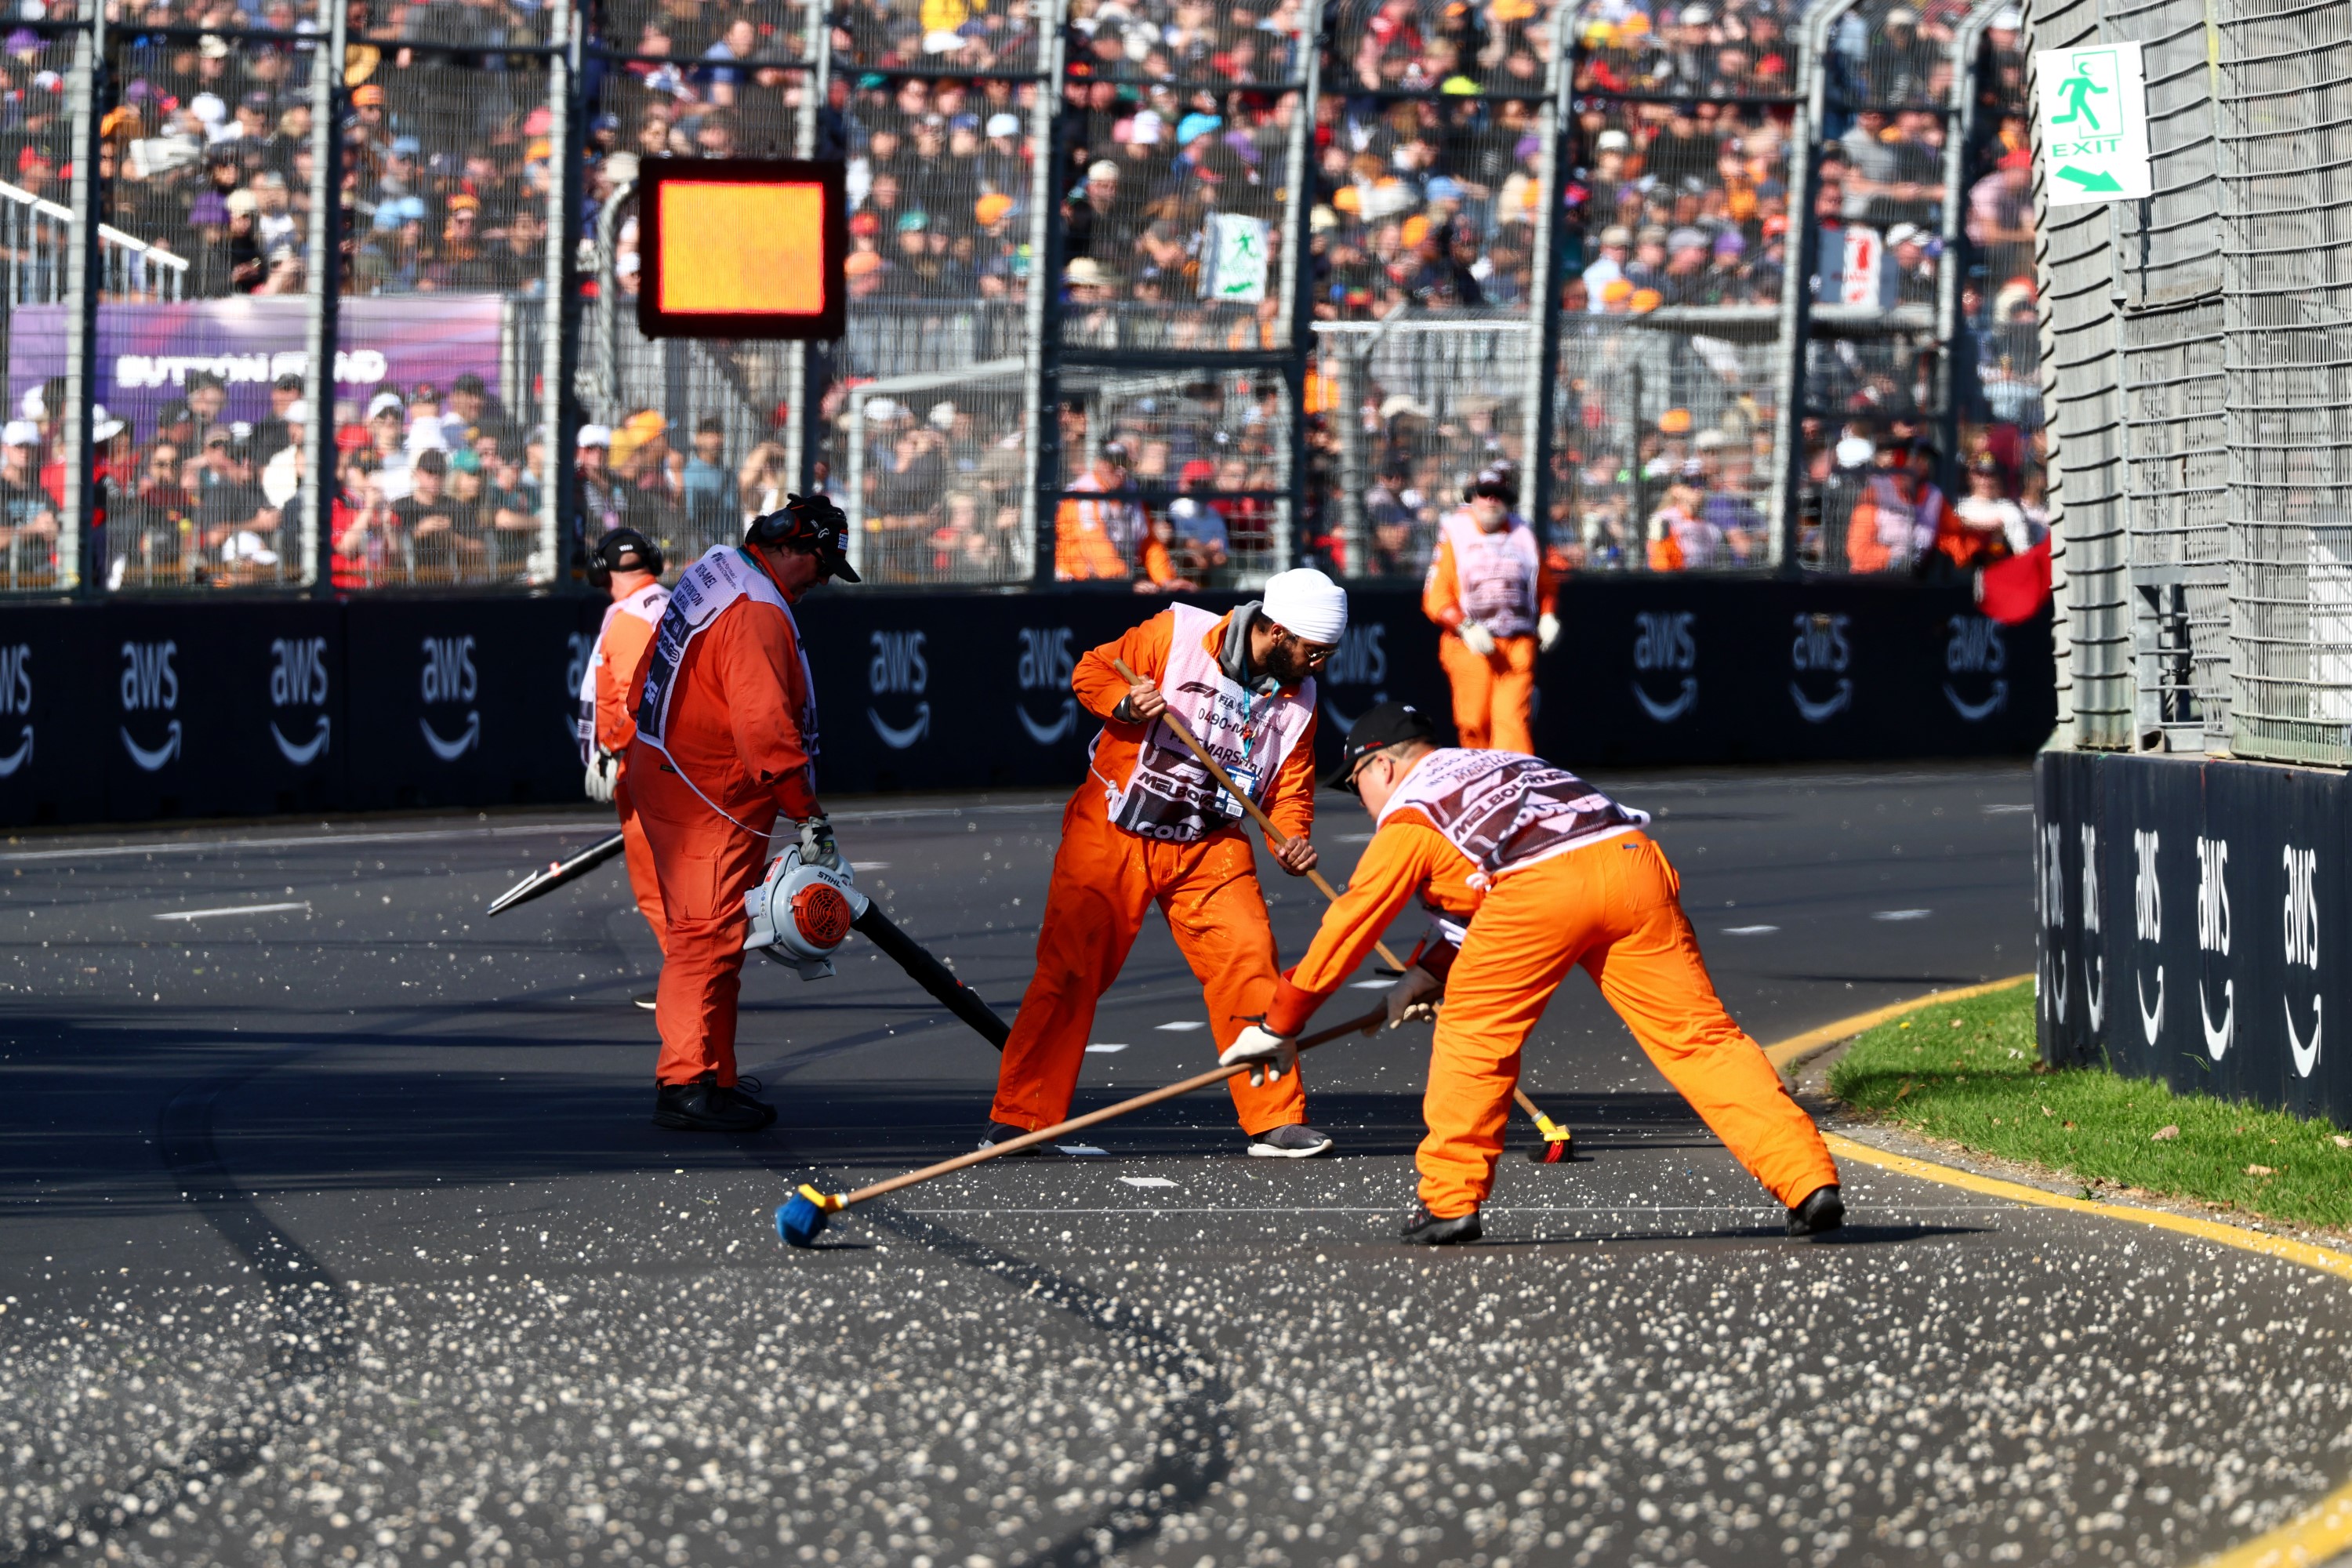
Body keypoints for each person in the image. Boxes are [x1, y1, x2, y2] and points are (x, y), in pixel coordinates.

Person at [1229, 702, 1844, 1244]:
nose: (1361, 803)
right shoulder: (1502, 763)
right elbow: (1476, 893)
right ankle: (1807, 1179)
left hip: (1540, 889)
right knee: (1699, 1039)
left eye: (1355, 784)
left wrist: (1279, 1023)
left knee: (1474, 1037)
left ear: (1380, 768)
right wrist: (1424, 973)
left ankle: (1449, 1202)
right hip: (1630, 862)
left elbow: (1350, 925)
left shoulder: (1411, 811)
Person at [985, 568, 1351, 1159]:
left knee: (1250, 962)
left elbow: (1292, 788)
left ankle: (1275, 1119)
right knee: (1070, 970)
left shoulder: (1299, 697)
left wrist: (1292, 837)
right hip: (1115, 831)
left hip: (1211, 845)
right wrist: (1127, 703)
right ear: (1278, 633)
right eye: (1316, 652)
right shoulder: (1176, 632)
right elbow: (1091, 671)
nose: (1320, 667)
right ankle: (1023, 1115)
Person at [625, 494, 860, 1132]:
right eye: (820, 566)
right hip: (709, 795)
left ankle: (713, 1074)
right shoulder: (758, 611)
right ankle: (686, 1083)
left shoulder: (718, 568)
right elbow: (765, 729)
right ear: (794, 547)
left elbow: (643, 678)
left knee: (716, 934)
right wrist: (807, 817)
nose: (820, 582)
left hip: (671, 773)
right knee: (704, 939)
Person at [579, 528, 672, 1010]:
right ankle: (695, 976)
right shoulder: (667, 603)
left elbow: (635, 700)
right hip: (670, 763)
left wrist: (610, 749)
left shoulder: (631, 618)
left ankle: (688, 981)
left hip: (643, 764)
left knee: (655, 882)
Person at [1422, 468, 1559, 753]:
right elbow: (1436, 596)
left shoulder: (1524, 534)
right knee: (1474, 721)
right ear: (1473, 497)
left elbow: (1545, 586)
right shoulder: (1455, 533)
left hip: (1517, 644)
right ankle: (1480, 783)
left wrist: (1548, 615)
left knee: (1512, 721)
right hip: (1468, 645)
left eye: (1499, 495)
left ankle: (1514, 785)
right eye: (1485, 494)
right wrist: (1465, 626)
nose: (1491, 501)